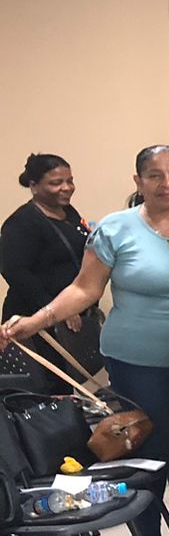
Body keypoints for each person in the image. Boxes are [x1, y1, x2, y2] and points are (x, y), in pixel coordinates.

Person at [2, 145, 169, 536]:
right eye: (155, 175)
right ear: (138, 181)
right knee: (147, 450)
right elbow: (85, 289)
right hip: (137, 361)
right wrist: (36, 321)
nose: (167, 183)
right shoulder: (115, 228)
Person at [2, 154, 99, 373]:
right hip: (35, 318)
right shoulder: (22, 222)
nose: (67, 188)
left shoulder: (69, 213)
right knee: (46, 384)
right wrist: (56, 309)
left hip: (71, 315)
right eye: (56, 183)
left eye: (70, 181)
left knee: (74, 379)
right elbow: (15, 271)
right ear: (34, 186)